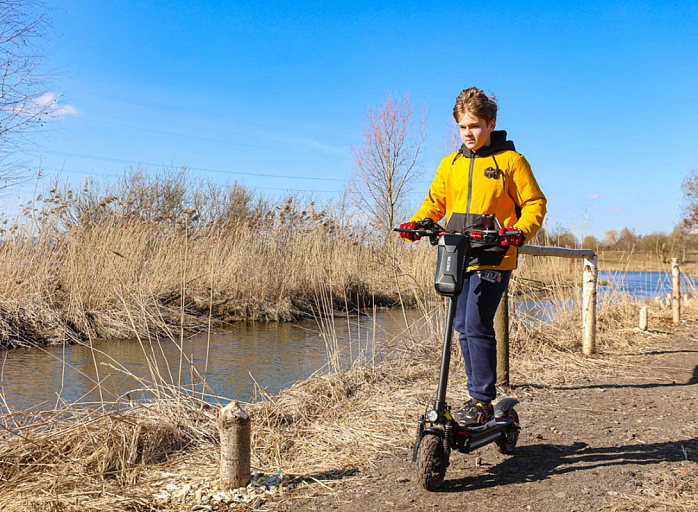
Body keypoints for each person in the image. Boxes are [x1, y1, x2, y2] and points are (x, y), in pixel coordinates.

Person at [399, 87, 546, 428]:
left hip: (494, 255)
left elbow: (535, 204)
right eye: (463, 126)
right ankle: (477, 395)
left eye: (475, 126)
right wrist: (418, 223)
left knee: (477, 321)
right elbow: (435, 203)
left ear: (491, 124)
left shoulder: (511, 162)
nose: (469, 133)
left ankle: (481, 399)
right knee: (462, 324)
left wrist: (519, 232)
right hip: (456, 254)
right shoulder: (449, 164)